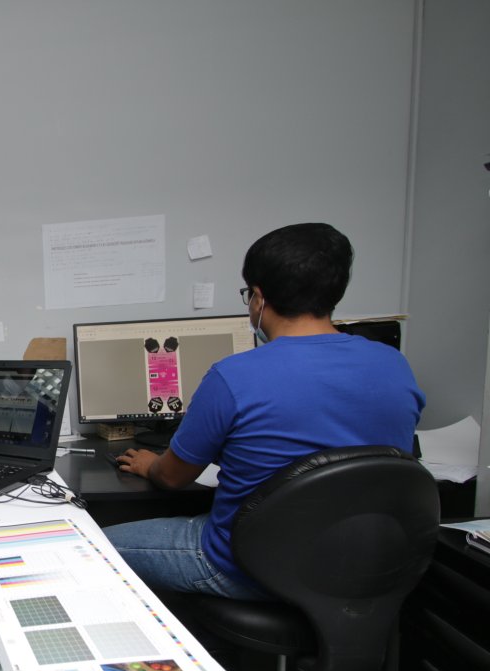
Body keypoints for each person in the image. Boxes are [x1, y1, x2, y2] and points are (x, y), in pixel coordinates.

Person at [103, 222, 424, 600]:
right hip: (360, 565)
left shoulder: (234, 376)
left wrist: (149, 464)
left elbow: (173, 478)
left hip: (248, 565)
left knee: (92, 545)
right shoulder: (394, 365)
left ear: (258, 298)